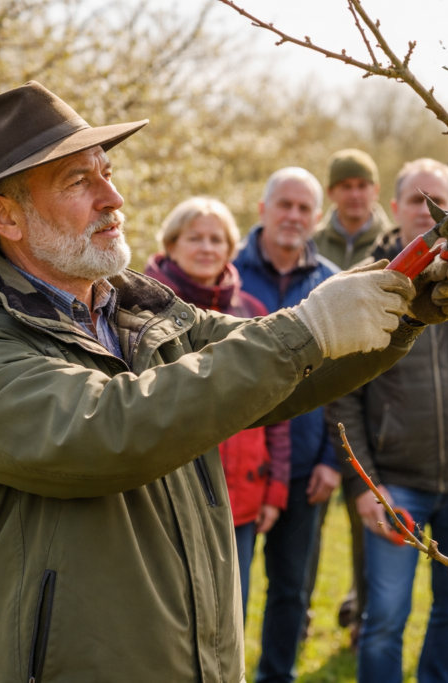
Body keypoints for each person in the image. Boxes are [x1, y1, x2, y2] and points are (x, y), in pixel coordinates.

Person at [0, 81, 448, 681]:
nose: (113, 197)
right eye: (78, 182)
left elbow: (280, 372)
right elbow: (110, 428)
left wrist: (407, 302)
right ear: (5, 215)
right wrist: (308, 330)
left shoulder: (144, 316)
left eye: (106, 172)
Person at [328, 157, 448, 683]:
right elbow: (341, 396)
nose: (429, 210)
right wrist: (364, 483)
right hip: (395, 484)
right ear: (394, 208)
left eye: (438, 198)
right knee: (385, 617)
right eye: (416, 199)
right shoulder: (364, 284)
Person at [143, 196, 290, 620]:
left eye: (216, 239)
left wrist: (275, 487)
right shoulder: (143, 310)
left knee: (229, 613)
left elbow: (277, 403)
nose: (206, 247)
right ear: (171, 244)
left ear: (229, 248)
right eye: (195, 238)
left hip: (239, 495)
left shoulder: (253, 313)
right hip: (167, 495)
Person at [232, 167, 343, 682]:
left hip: (304, 465)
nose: (293, 216)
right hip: (236, 466)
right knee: (229, 588)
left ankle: (278, 675)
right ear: (263, 209)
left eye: (304, 209)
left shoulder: (333, 284)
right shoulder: (229, 276)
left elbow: (348, 380)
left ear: (317, 219)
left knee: (292, 588)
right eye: (285, 205)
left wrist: (330, 460)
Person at [312, 149, 392, 270]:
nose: (355, 195)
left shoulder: (393, 244)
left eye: (362, 185)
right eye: (346, 186)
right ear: (330, 192)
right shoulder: (311, 244)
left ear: (375, 191)